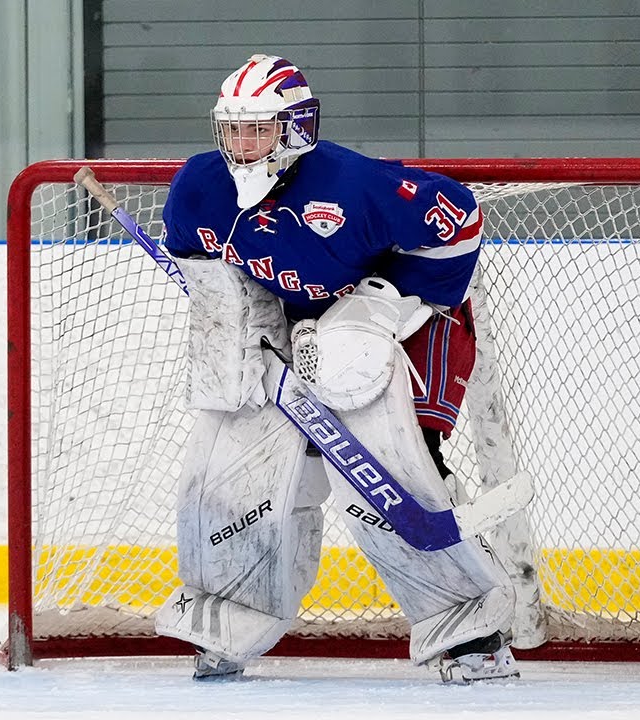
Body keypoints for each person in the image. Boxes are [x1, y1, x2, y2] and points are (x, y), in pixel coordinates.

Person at [150, 53, 518, 684]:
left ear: (295, 127)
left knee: (385, 472)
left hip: (392, 333)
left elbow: (458, 218)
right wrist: (238, 318)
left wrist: (383, 300)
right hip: (285, 333)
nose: (243, 144)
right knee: (232, 468)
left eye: (259, 129)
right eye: (233, 129)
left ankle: (467, 627)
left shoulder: (352, 184)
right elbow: (202, 267)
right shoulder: (199, 187)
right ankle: (232, 612)